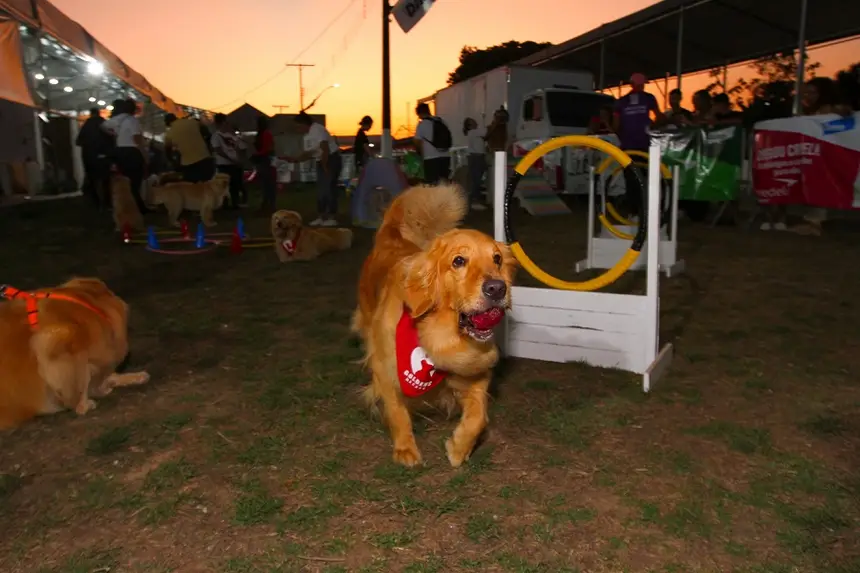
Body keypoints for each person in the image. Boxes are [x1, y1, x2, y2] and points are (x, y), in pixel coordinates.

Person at [787, 77, 853, 236]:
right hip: (818, 154)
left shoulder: (830, 109)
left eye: (813, 92)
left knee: (820, 186)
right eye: (807, 93)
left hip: (828, 155)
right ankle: (813, 221)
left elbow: (842, 116)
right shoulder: (817, 110)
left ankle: (815, 223)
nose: (809, 96)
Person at [612, 72, 665, 217]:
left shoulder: (622, 102)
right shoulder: (647, 99)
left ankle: (635, 210)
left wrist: (623, 135)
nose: (641, 87)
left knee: (633, 178)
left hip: (633, 145)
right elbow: (659, 116)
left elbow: (616, 125)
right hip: (642, 144)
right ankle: (642, 209)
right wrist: (652, 127)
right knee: (643, 178)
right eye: (641, 84)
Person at [285, 112, 342, 226]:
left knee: (328, 188)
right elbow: (310, 153)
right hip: (321, 160)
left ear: (305, 124)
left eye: (298, 126)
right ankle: (321, 216)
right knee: (321, 189)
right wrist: (295, 159)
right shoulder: (306, 136)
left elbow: (324, 148)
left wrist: (325, 166)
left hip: (330, 159)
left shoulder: (317, 130)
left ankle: (331, 216)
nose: (297, 129)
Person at [102, 99, 149, 213]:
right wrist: (145, 155)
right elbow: (137, 139)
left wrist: (114, 134)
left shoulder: (118, 119)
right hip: (132, 152)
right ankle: (137, 207)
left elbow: (103, 126)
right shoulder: (132, 120)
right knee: (135, 181)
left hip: (120, 151)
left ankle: (129, 206)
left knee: (125, 181)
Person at [75, 107, 113, 210]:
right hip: (104, 155)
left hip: (89, 156)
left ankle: (95, 202)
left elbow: (78, 141)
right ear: (99, 113)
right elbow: (112, 139)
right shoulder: (105, 123)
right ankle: (107, 202)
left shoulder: (87, 125)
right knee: (106, 179)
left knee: (92, 179)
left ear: (91, 114)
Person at [211, 113, 248, 209]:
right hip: (224, 164)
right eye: (225, 122)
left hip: (234, 164)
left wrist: (239, 158)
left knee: (235, 184)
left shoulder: (231, 135)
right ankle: (224, 205)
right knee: (223, 185)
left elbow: (240, 146)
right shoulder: (216, 136)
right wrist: (231, 159)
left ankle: (236, 203)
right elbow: (218, 150)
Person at [164, 113, 215, 183]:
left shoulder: (169, 133)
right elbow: (206, 133)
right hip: (205, 158)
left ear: (167, 123)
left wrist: (174, 162)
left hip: (189, 164)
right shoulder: (192, 122)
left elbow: (167, 151)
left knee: (193, 189)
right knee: (209, 186)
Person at [413, 102, 451, 185]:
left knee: (432, 184)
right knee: (443, 182)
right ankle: (444, 197)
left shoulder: (422, 125)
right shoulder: (441, 121)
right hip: (445, 156)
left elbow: (417, 142)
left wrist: (419, 154)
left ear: (419, 113)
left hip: (431, 158)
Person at [250, 115, 277, 214]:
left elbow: (267, 148)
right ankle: (267, 205)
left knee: (268, 184)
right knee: (265, 184)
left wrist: (257, 154)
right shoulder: (263, 134)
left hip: (266, 160)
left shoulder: (265, 134)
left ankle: (269, 206)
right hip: (263, 160)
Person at [463, 118, 487, 212]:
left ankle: (474, 200)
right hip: (476, 158)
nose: (475, 122)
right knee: (476, 179)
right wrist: (495, 122)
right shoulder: (474, 132)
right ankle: (474, 201)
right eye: (473, 122)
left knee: (476, 179)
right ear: (469, 125)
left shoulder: (472, 133)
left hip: (476, 157)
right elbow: (486, 133)